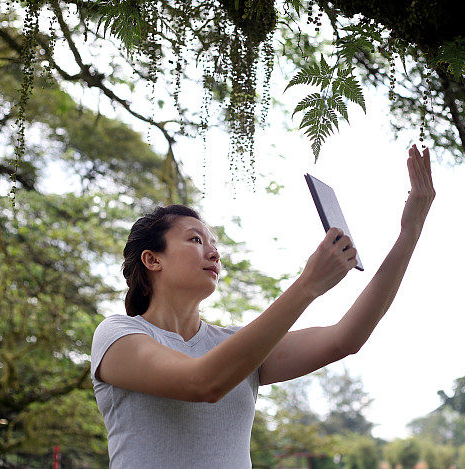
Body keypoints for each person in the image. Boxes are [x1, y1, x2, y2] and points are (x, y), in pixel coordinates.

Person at [90, 143, 435, 468]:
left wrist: (410, 232)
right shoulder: (118, 335)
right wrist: (307, 285)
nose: (213, 252)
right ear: (152, 260)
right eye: (195, 240)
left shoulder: (236, 347)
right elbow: (203, 383)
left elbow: (346, 338)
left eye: (213, 244)